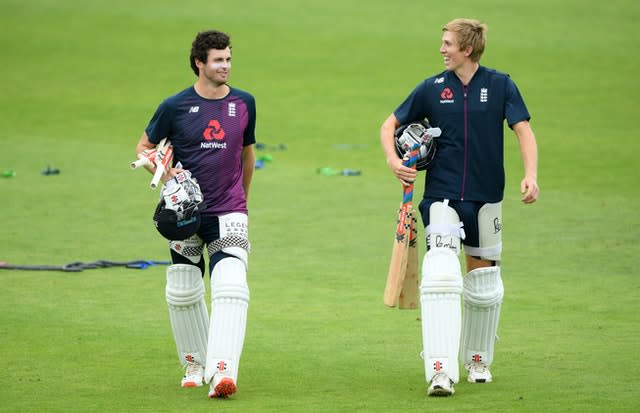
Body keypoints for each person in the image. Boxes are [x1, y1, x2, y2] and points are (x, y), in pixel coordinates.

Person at [380, 18, 539, 397]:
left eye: (448, 44)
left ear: (467, 49)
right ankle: (439, 369)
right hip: (443, 197)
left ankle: (478, 359)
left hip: (486, 199)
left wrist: (531, 175)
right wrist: (393, 160)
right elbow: (390, 125)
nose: (442, 49)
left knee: (483, 286)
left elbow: (524, 130)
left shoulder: (500, 85)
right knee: (440, 275)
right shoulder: (432, 88)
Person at [135, 29, 256, 399]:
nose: (225, 66)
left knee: (231, 286)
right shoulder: (174, 106)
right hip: (185, 214)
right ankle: (195, 362)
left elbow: (247, 154)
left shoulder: (244, 102)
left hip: (229, 210)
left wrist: (242, 201)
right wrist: (169, 177)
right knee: (182, 290)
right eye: (218, 60)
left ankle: (222, 372)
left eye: (229, 59)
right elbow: (144, 147)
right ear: (199, 63)